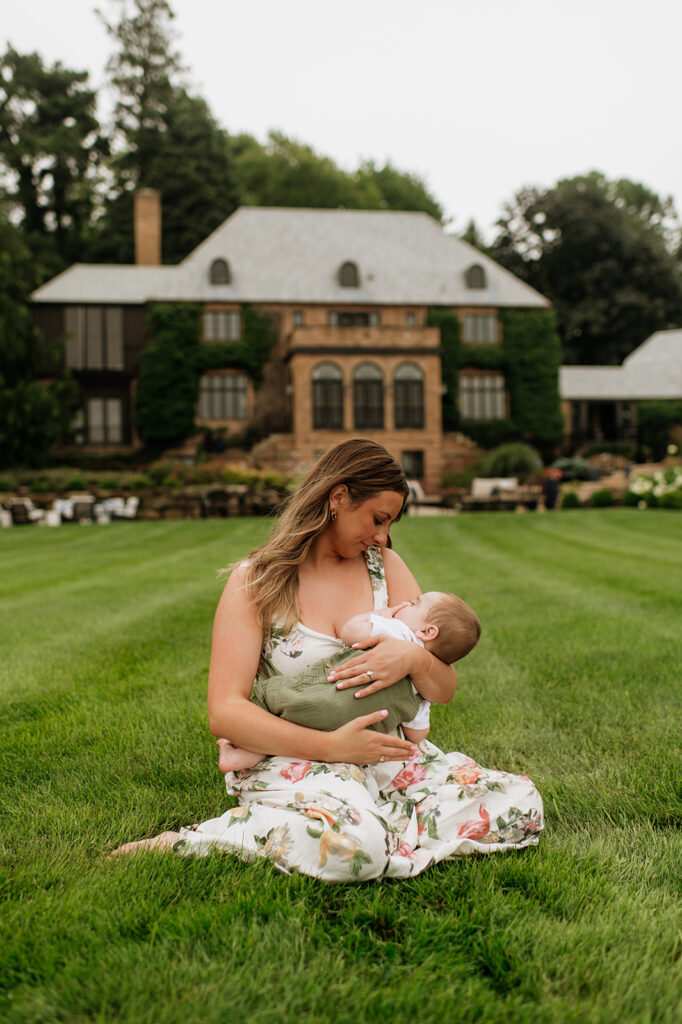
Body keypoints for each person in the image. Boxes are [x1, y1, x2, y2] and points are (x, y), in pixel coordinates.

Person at [110, 438, 543, 878]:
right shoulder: (256, 581)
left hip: (384, 757)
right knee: (358, 850)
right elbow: (225, 713)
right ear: (338, 498)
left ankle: (376, 821)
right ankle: (204, 838)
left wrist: (415, 659)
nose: (381, 536)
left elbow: (443, 689)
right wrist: (332, 748)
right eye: (377, 519)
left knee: (519, 805)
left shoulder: (385, 567)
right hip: (296, 756)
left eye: (388, 523)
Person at [217, 590, 481, 771]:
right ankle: (244, 755)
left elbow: (350, 632)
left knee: (274, 701)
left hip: (320, 698)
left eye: (413, 604)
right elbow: (417, 733)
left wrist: (384, 613)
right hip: (349, 727)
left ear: (427, 631)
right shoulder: (422, 695)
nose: (406, 605)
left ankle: (244, 753)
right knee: (298, 716)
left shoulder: (397, 631)